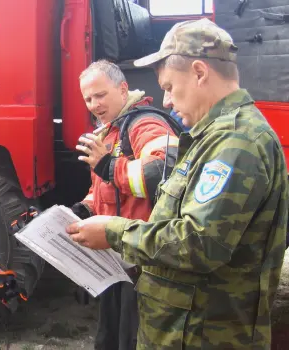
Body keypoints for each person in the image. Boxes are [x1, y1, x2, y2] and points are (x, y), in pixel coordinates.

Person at [65, 18, 289, 348]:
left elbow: (198, 243)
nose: (166, 101)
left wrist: (114, 231)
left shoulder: (236, 142)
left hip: (204, 334)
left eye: (169, 87)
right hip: (182, 329)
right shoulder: (212, 137)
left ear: (199, 73)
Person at [73, 59, 179, 350]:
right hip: (115, 262)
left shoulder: (144, 123)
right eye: (88, 98)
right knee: (110, 340)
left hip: (141, 265)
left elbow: (163, 173)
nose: (94, 104)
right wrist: (83, 209)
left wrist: (108, 164)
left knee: (132, 341)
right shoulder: (110, 130)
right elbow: (105, 192)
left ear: (122, 89)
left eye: (100, 95)